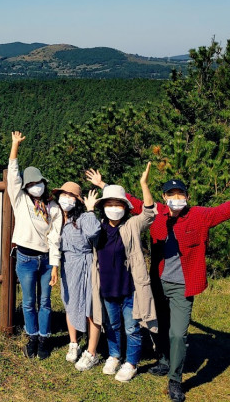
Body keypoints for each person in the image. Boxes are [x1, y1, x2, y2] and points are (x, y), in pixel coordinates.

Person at [86, 167, 230, 401]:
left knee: (178, 334)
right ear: (164, 198)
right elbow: (130, 203)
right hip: (157, 282)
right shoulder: (157, 213)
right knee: (159, 325)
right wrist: (103, 185)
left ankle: (175, 380)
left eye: (180, 195)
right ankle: (166, 360)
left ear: (187, 197)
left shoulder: (199, 215)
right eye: (171, 195)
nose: (176, 199)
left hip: (184, 285)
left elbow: (225, 210)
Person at [91, 162, 157, 383]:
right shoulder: (98, 227)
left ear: (125, 207)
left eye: (118, 203)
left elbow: (149, 214)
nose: (113, 207)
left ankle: (131, 363)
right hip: (107, 289)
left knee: (131, 327)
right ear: (103, 207)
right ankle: (114, 355)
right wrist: (90, 208)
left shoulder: (131, 226)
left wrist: (143, 184)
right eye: (108, 203)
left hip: (130, 289)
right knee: (112, 325)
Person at [7, 131, 62, 360]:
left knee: (46, 302)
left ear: (43, 183)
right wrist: (15, 146)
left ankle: (44, 339)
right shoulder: (20, 201)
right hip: (26, 259)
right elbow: (13, 176)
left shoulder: (53, 207)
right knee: (29, 302)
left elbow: (55, 237)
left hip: (46, 261)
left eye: (38, 182)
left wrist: (55, 265)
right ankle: (32, 337)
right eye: (30, 183)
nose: (35, 186)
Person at [55, 182, 101, 370]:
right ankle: (73, 343)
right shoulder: (57, 217)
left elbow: (93, 232)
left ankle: (92, 351)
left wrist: (90, 210)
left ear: (78, 200)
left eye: (71, 195)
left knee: (91, 307)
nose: (66, 198)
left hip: (86, 264)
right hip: (68, 266)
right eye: (63, 194)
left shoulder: (82, 218)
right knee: (70, 303)